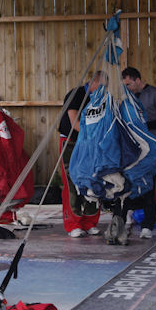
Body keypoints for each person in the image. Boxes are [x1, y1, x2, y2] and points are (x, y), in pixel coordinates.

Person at [120, 66, 156, 239]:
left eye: (128, 84)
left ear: (137, 80)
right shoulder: (125, 99)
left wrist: (143, 126)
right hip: (129, 150)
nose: (126, 88)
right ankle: (122, 220)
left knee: (149, 186)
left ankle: (148, 226)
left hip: (149, 150)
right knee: (125, 184)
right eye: (124, 85)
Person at [58, 72, 104, 238]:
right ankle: (73, 224)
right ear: (92, 82)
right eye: (102, 85)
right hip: (71, 142)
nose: (104, 89)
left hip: (91, 144)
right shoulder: (77, 94)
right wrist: (94, 136)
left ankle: (90, 222)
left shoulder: (102, 99)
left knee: (94, 181)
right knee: (72, 183)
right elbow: (75, 123)